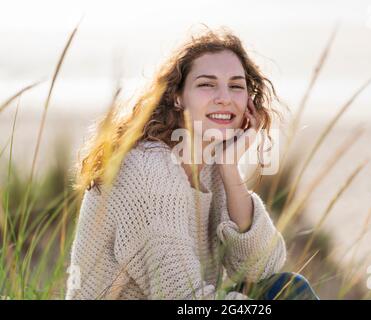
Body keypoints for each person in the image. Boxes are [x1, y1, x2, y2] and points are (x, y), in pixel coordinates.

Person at [65, 27, 318, 300]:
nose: (224, 97)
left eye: (236, 86)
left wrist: (230, 170)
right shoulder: (147, 170)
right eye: (207, 84)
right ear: (177, 96)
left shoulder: (212, 165)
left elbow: (261, 267)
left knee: (287, 288)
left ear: (248, 102)